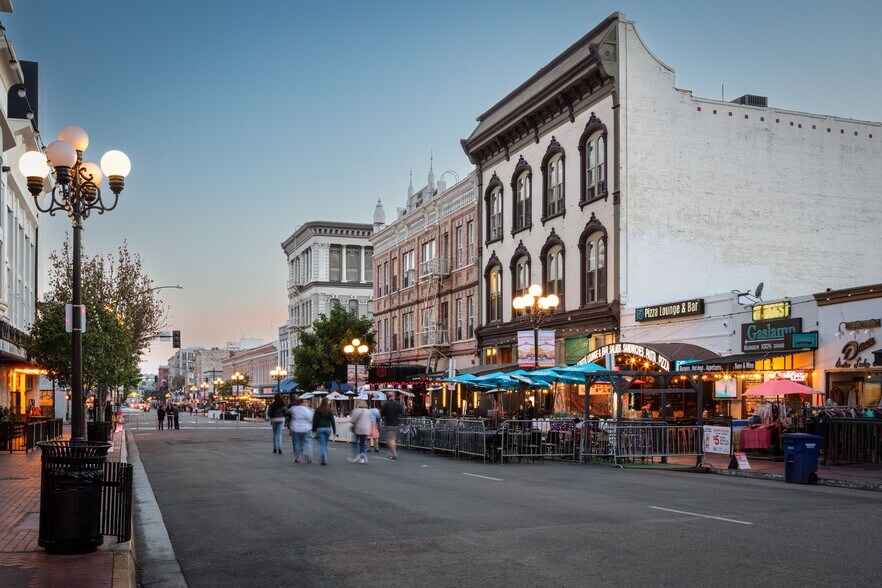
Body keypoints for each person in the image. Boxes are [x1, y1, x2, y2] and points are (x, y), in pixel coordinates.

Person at [288, 396, 313, 463]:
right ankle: (308, 455)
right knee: (307, 442)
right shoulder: (307, 410)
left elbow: (288, 411)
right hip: (306, 428)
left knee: (297, 443)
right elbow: (310, 419)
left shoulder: (294, 408)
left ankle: (298, 457)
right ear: (303, 403)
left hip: (296, 428)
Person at [312, 398, 336, 465]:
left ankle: (323, 455)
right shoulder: (329, 410)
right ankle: (324, 455)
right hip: (327, 428)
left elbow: (315, 421)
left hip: (320, 428)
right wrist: (334, 430)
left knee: (322, 443)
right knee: (325, 443)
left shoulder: (317, 410)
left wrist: (313, 429)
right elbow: (332, 421)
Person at [380, 393, 404, 460]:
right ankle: (392, 453)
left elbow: (381, 414)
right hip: (396, 423)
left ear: (388, 397)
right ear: (393, 397)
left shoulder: (386, 405)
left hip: (389, 424)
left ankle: (393, 454)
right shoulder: (398, 404)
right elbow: (402, 412)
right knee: (395, 439)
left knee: (390, 440)